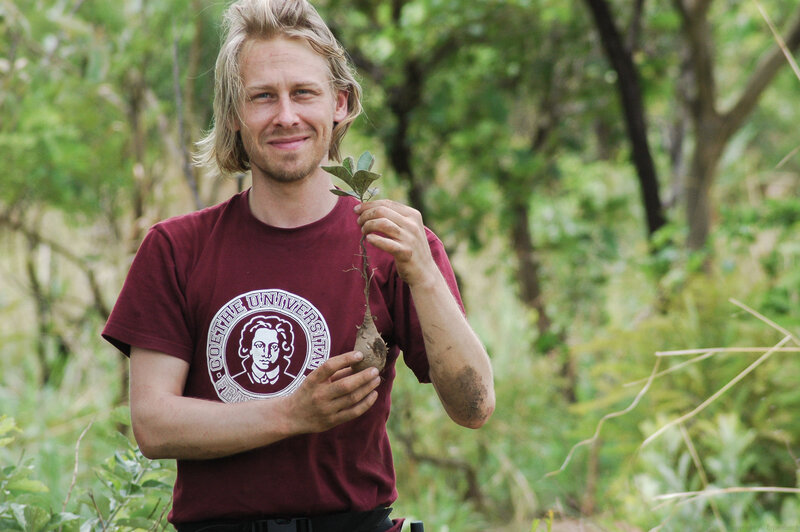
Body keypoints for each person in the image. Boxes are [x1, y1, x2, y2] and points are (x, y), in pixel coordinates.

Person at [102, 0, 495, 530]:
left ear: (340, 102)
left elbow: (473, 408)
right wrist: (292, 413)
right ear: (233, 115)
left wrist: (422, 272)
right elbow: (154, 425)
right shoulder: (176, 248)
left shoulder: (396, 245)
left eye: (304, 93)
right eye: (262, 96)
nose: (286, 116)